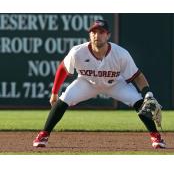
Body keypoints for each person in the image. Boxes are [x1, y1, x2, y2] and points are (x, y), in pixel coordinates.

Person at [33, 19, 166, 149]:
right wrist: (54, 92)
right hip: (87, 82)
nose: (97, 35)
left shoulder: (121, 54)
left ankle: (156, 136)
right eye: (93, 32)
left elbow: (137, 76)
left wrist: (147, 93)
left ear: (108, 35)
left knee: (139, 102)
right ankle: (43, 134)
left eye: (101, 32)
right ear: (89, 35)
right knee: (64, 99)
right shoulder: (77, 52)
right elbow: (63, 68)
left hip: (115, 84)